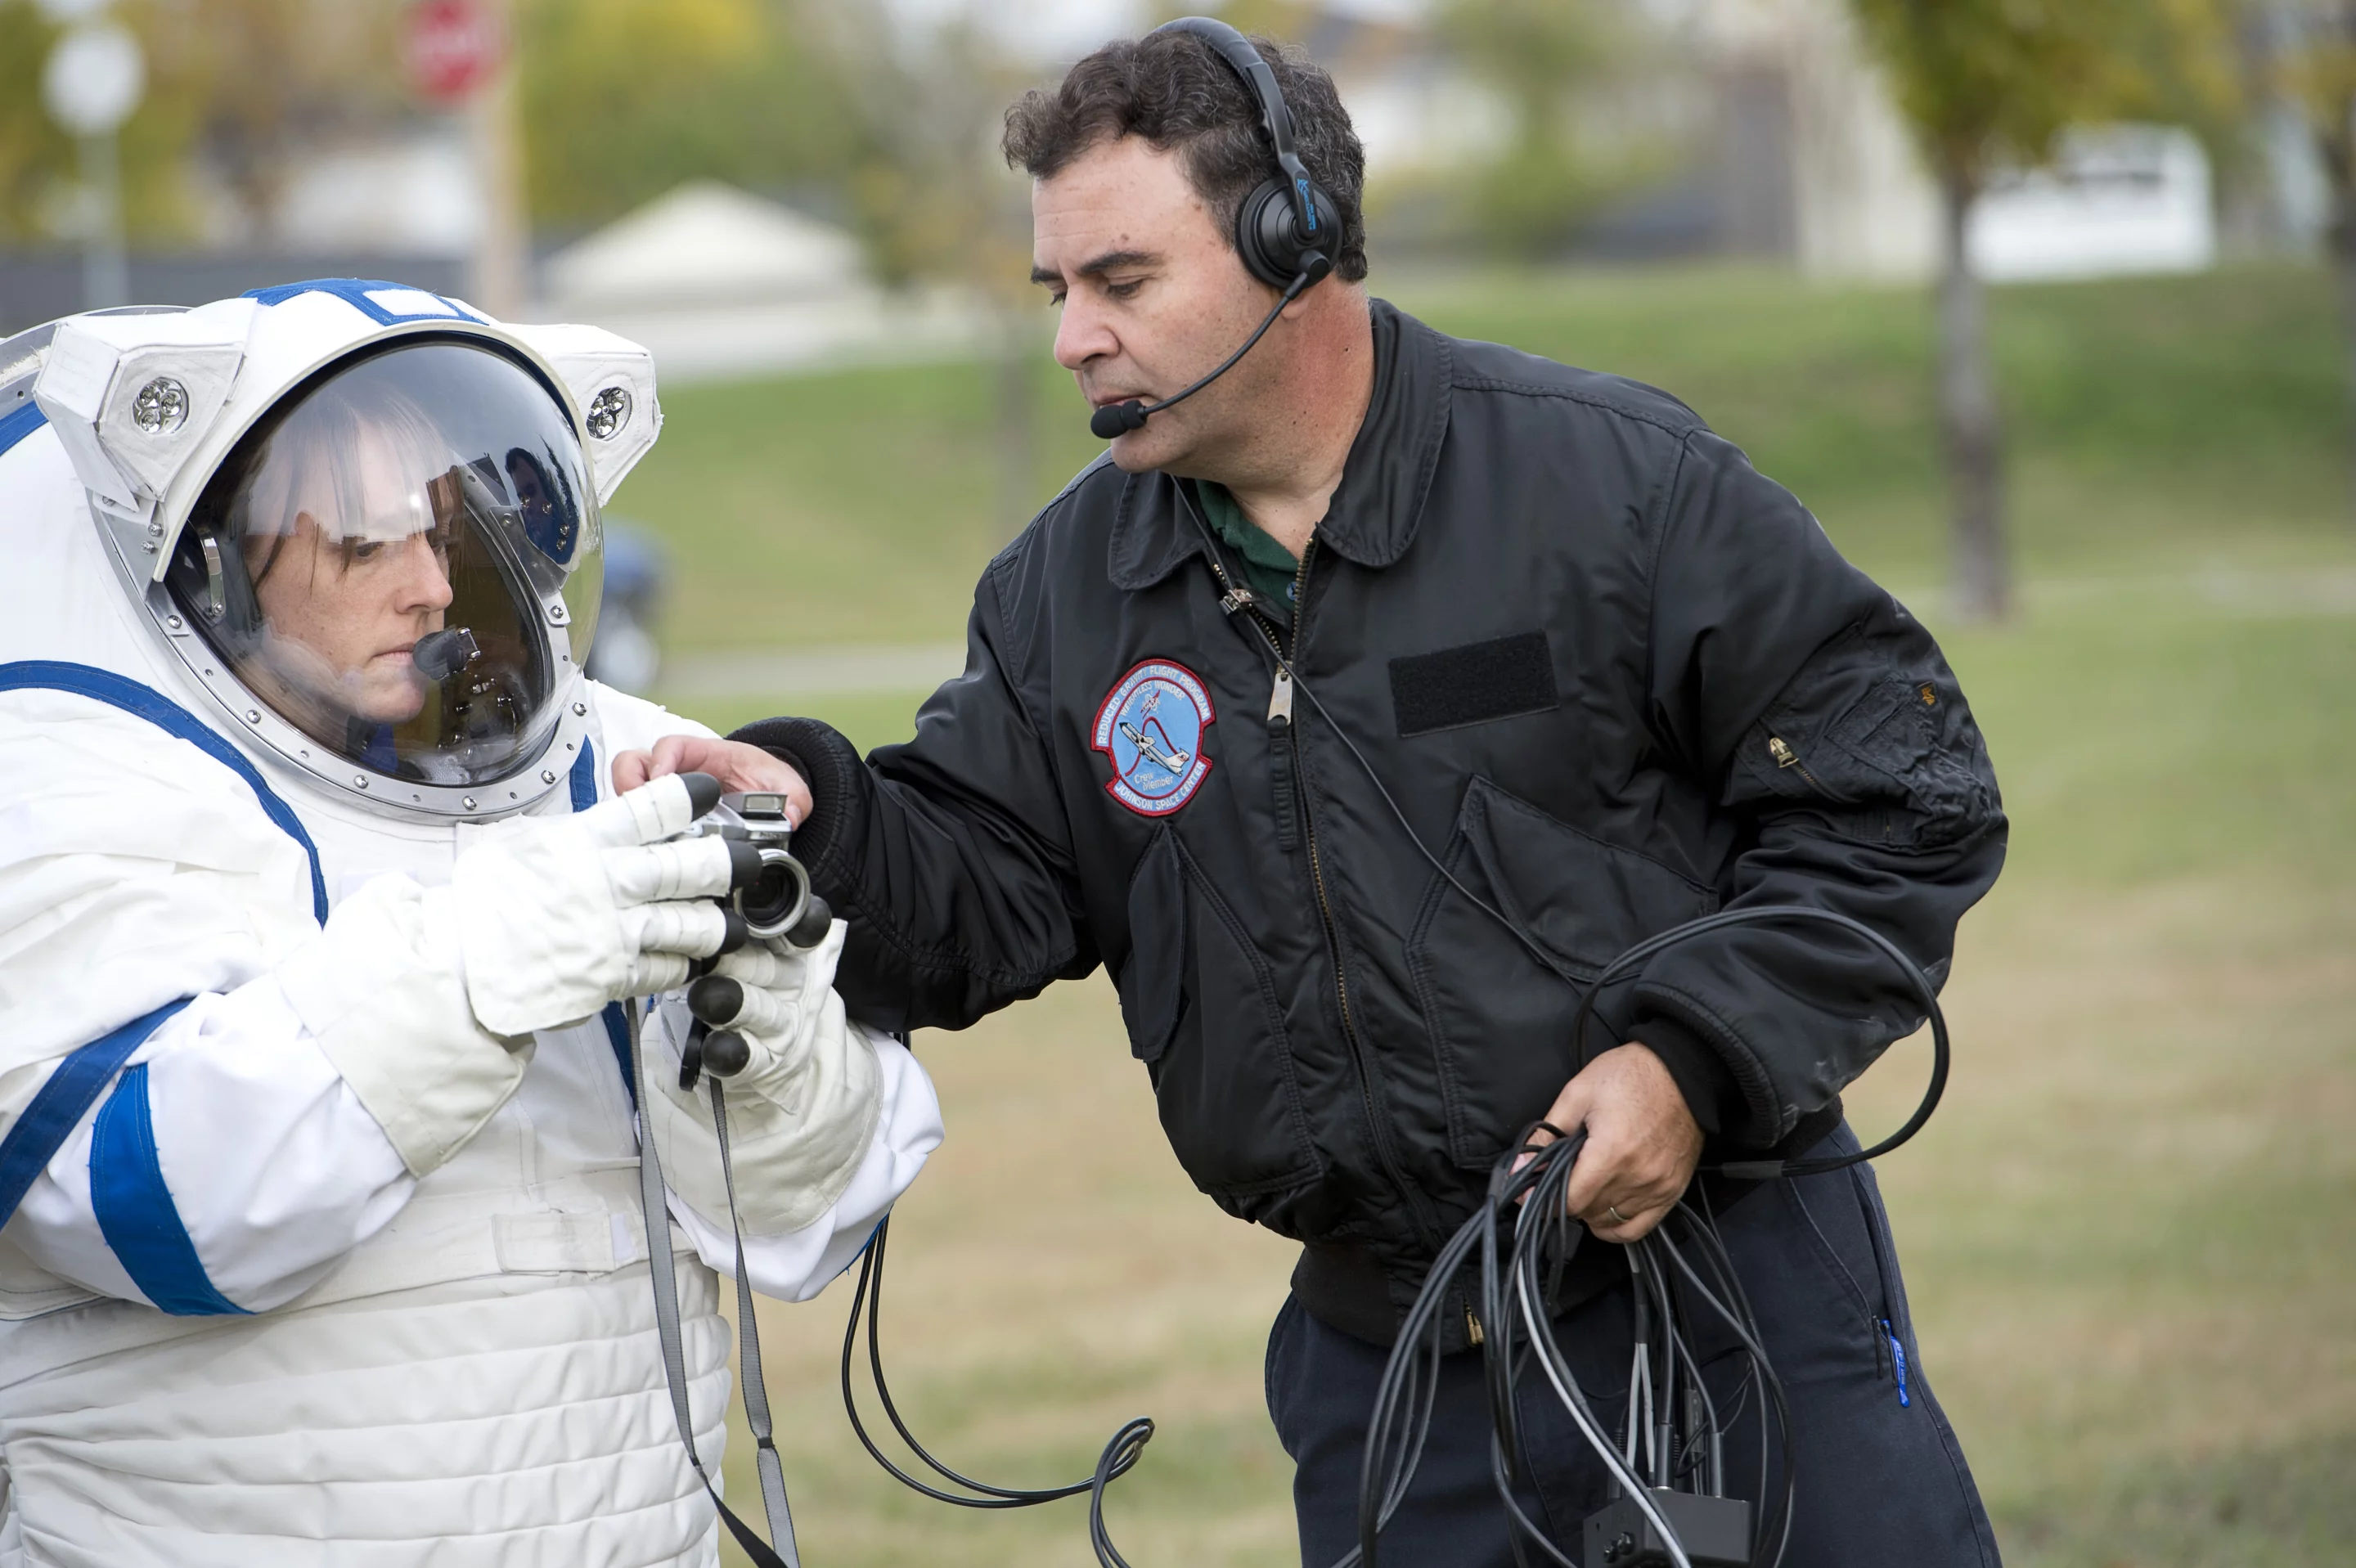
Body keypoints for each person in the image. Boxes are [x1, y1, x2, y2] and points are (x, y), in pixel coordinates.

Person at [627, 22, 2008, 1567]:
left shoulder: (1618, 489)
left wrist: (1692, 1063)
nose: (1074, 337)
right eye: (1056, 289)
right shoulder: (1062, 595)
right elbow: (977, 890)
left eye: (1121, 281)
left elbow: (1901, 798)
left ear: (1296, 240)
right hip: (1392, 1372)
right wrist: (811, 817)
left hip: (1729, 1314)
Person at [0, 282, 942, 1566]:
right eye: (363, 544)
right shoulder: (79, 789)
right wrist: (495, 958)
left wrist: (757, 1029)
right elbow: (151, 1202)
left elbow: (807, 1222)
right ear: (214, 562)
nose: (432, 587)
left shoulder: (609, 761)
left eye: (446, 533)